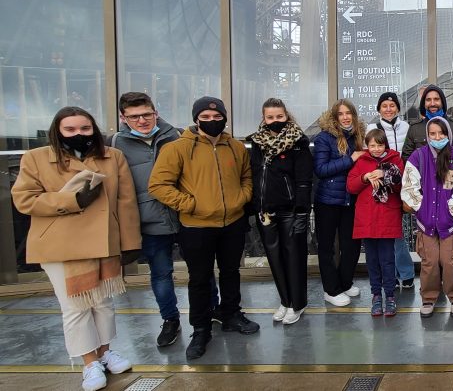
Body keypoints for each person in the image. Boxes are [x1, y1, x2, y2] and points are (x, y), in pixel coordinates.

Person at [13, 106, 141, 391]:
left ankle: (105, 351)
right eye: (70, 129)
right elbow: (24, 199)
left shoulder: (113, 157)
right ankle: (88, 362)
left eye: (84, 128)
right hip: (60, 247)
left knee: (103, 302)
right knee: (75, 306)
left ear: (93, 129)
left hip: (104, 242)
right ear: (57, 131)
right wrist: (73, 200)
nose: (78, 134)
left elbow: (126, 202)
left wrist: (131, 243)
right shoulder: (36, 158)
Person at [149, 96, 259, 360]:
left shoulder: (234, 146)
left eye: (217, 117)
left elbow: (246, 176)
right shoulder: (177, 149)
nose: (212, 121)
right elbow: (158, 185)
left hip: (232, 222)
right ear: (196, 119)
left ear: (224, 117)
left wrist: (242, 197)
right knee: (199, 279)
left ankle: (231, 313)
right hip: (196, 226)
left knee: (231, 272)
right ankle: (200, 329)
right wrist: (189, 204)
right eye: (206, 118)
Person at [110, 92, 219, 347]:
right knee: (160, 273)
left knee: (201, 270)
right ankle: (170, 319)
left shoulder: (178, 135)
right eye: (134, 117)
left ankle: (211, 310)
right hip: (149, 221)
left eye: (146, 114)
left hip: (185, 216)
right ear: (123, 117)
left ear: (155, 112)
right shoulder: (116, 144)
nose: (142, 121)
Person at [403, 85, 453, 296]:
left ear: (443, 102)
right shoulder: (416, 128)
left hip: (449, 191)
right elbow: (407, 157)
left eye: (436, 99)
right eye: (428, 100)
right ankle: (432, 291)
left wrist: (450, 168)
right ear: (423, 103)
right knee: (430, 255)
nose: (432, 103)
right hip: (426, 196)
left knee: (452, 249)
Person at [246, 98, 313, 325]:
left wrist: (302, 212)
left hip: (291, 210)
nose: (275, 121)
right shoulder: (256, 143)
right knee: (275, 259)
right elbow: (253, 176)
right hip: (266, 212)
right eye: (270, 117)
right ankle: (285, 301)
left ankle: (298, 303)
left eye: (279, 117)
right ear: (264, 119)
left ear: (287, 116)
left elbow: (304, 180)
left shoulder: (298, 142)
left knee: (294, 259)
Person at [400, 117, 453, 318]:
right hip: (426, 223)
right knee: (429, 262)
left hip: (450, 223)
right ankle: (428, 298)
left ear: (448, 134)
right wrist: (420, 209)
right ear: (427, 136)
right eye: (432, 134)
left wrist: (451, 211)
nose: (437, 137)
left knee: (450, 261)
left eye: (441, 133)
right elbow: (409, 186)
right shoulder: (418, 157)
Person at [348, 129, 406, 317]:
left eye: (379, 145)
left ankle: (389, 295)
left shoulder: (395, 160)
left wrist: (384, 174)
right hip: (367, 218)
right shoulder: (362, 161)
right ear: (367, 145)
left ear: (385, 145)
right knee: (372, 260)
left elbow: (401, 184)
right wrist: (365, 177)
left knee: (388, 260)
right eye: (372, 145)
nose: (376, 149)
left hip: (387, 217)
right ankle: (376, 296)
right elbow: (351, 186)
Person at [312, 99, 364, 308]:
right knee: (326, 247)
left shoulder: (357, 136)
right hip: (327, 200)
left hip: (351, 198)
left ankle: (344, 282)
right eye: (340, 114)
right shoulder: (324, 138)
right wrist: (351, 159)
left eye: (348, 113)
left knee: (351, 245)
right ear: (334, 117)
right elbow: (321, 170)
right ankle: (331, 290)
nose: (345, 117)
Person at [368, 92, 416, 290]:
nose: (388, 109)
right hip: (383, 188)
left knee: (401, 231)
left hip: (404, 185)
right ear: (379, 109)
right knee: (393, 233)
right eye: (384, 106)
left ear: (398, 107)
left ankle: (403, 272)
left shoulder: (407, 127)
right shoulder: (372, 128)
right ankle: (399, 273)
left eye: (392, 105)